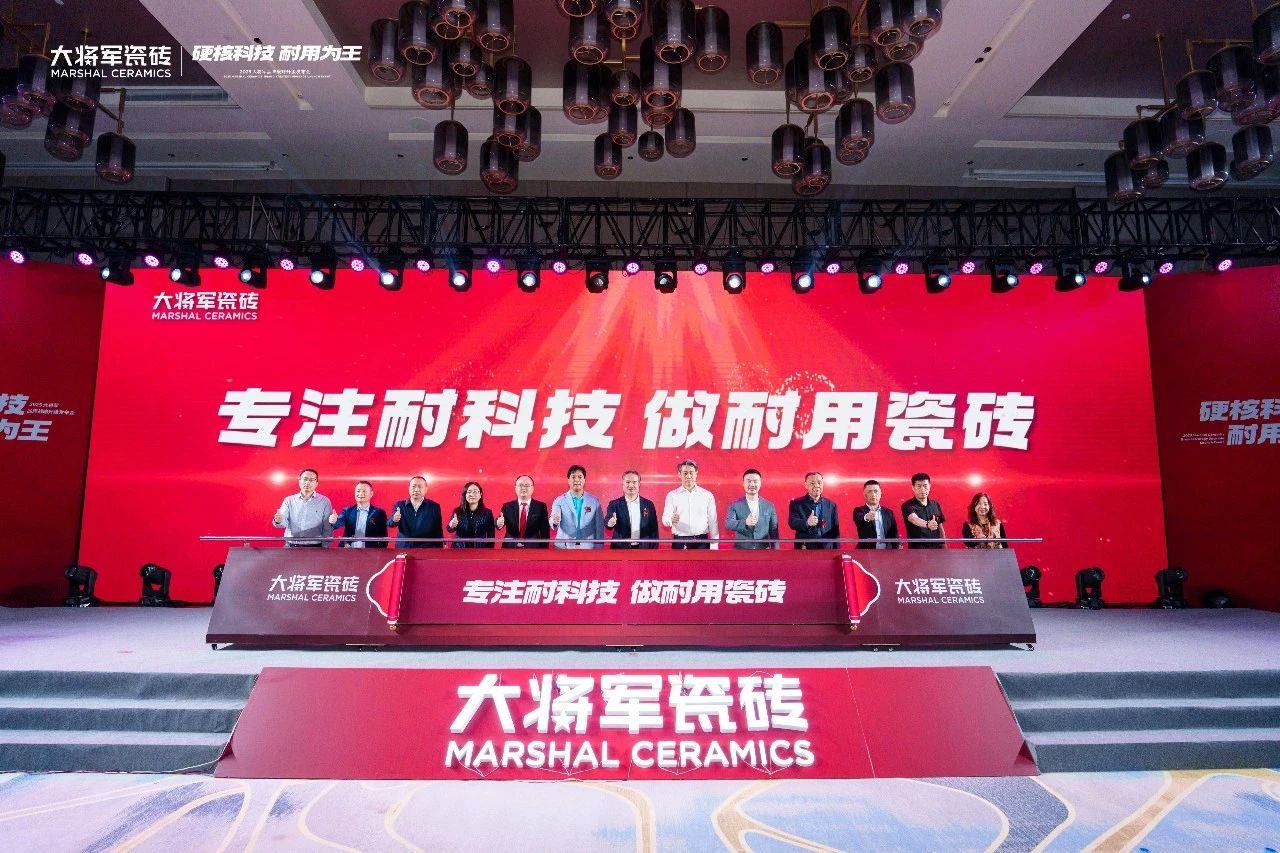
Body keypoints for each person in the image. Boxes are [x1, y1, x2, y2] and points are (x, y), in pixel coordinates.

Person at [661, 459, 719, 549]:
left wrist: (714, 545)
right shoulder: (672, 495)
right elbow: (665, 519)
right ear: (679, 474)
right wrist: (670, 519)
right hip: (680, 542)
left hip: (702, 542)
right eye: (685, 473)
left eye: (691, 472)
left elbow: (713, 521)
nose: (688, 476)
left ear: (696, 474)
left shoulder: (707, 495)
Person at [272, 468, 334, 547]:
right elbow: (283, 523)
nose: (307, 482)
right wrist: (279, 521)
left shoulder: (324, 501)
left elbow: (327, 527)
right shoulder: (289, 500)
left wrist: (325, 547)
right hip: (291, 547)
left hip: (315, 547)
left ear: (316, 483)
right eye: (305, 479)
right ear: (299, 481)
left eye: (311, 480)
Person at [549, 464, 605, 549]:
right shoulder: (559, 500)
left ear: (584, 480)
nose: (576, 480)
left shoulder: (594, 501)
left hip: (587, 547)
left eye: (580, 477)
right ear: (568, 480)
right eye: (573, 477)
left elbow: (599, 525)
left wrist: (599, 546)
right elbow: (553, 517)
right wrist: (555, 521)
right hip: (563, 546)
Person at [724, 468, 779, 549]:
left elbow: (774, 531)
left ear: (760, 483)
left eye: (755, 481)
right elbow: (728, 523)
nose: (752, 484)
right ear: (743, 483)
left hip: (763, 550)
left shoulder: (769, 506)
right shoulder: (734, 505)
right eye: (748, 481)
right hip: (741, 551)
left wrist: (776, 551)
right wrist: (745, 522)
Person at [605, 470, 659, 548]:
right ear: (623, 484)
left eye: (634, 482)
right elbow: (607, 521)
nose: (631, 485)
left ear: (639, 484)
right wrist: (610, 523)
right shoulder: (614, 504)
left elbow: (654, 530)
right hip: (620, 549)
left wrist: (654, 550)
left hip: (643, 549)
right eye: (627, 482)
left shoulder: (648, 504)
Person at [387, 475, 444, 548]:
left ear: (426, 489)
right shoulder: (399, 505)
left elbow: (438, 530)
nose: (416, 489)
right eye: (413, 486)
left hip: (426, 548)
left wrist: (440, 548)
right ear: (409, 488)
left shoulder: (434, 507)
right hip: (404, 547)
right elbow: (390, 523)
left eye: (420, 487)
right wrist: (394, 520)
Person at [788, 471, 840, 549]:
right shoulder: (796, 503)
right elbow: (792, 522)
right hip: (805, 548)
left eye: (819, 483)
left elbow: (835, 531)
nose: (817, 486)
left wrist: (837, 550)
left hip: (827, 549)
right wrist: (807, 523)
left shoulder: (831, 505)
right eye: (812, 483)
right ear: (806, 485)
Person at [496, 474, 551, 548]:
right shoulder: (507, 506)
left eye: (527, 485)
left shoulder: (540, 507)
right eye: (520, 485)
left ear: (533, 488)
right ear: (515, 488)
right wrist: (498, 523)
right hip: (510, 548)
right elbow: (500, 521)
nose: (524, 488)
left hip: (533, 548)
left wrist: (544, 550)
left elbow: (545, 531)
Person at [328, 481, 389, 548]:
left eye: (364, 491)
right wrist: (334, 521)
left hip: (370, 551)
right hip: (348, 550)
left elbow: (384, 538)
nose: (360, 493)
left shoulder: (379, 513)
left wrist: (378, 552)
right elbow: (338, 523)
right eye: (358, 491)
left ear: (371, 494)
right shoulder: (347, 511)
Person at [901, 472, 946, 549]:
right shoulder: (907, 505)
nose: (922, 489)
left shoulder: (935, 504)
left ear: (930, 486)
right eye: (919, 486)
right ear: (913, 487)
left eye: (925, 486)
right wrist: (927, 524)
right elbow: (914, 519)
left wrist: (944, 544)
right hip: (918, 550)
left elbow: (940, 527)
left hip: (937, 549)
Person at [851, 479, 899, 550]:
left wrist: (897, 548)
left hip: (887, 552)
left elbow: (894, 533)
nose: (873, 494)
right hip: (866, 551)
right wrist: (867, 517)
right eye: (869, 491)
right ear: (865, 495)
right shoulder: (859, 510)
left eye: (876, 491)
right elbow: (859, 519)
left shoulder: (888, 512)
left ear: (880, 493)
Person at [448, 481, 496, 548]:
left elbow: (491, 537)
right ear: (465, 495)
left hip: (479, 550)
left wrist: (487, 552)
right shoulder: (457, 511)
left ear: (480, 494)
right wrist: (451, 525)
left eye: (475, 492)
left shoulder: (487, 513)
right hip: (459, 550)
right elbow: (449, 529)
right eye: (469, 492)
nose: (472, 495)